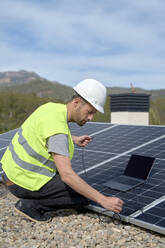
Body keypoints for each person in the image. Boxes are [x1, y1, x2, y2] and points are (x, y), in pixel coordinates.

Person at [1, 79, 123, 222]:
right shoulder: (58, 131)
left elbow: (45, 133)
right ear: (77, 102)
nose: (90, 117)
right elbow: (67, 175)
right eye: (89, 112)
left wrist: (73, 138)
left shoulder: (51, 108)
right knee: (82, 197)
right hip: (23, 182)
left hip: (10, 174)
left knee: (79, 187)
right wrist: (103, 200)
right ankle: (30, 206)